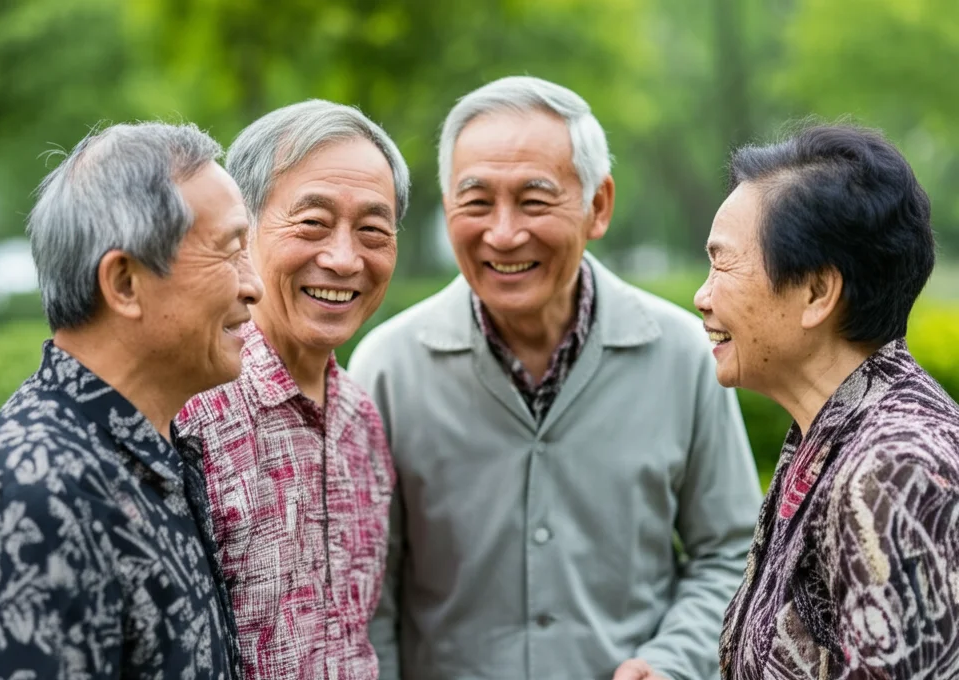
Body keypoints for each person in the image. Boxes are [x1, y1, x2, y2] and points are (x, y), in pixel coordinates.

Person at [348, 75, 762, 680]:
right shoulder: (388, 367)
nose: (504, 232)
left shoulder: (683, 355)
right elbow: (370, 595)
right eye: (476, 200)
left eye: (535, 199)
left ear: (599, 205)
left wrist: (672, 661)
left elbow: (730, 551)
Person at [0, 122, 262, 679]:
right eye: (229, 253)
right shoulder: (28, 500)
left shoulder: (144, 452)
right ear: (125, 283)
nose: (252, 283)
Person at [696, 124, 959, 679]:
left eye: (722, 264)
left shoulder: (894, 470)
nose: (702, 297)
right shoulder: (831, 433)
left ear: (817, 291)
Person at [175, 100, 410, 680]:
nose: (343, 258)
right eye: (312, 223)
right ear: (243, 231)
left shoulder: (362, 420)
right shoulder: (189, 409)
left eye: (373, 231)